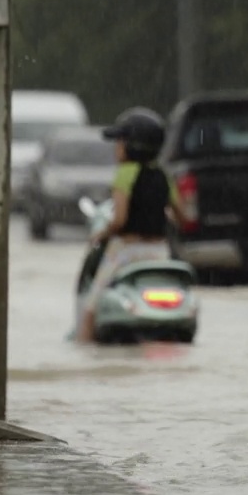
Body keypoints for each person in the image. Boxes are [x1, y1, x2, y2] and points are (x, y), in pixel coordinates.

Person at [76, 107, 190, 343]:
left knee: (91, 306)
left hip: (126, 252)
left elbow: (120, 220)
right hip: (160, 252)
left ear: (132, 146)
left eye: (120, 141)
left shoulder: (125, 174)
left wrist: (100, 234)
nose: (116, 147)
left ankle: (84, 345)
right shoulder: (163, 176)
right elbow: (183, 218)